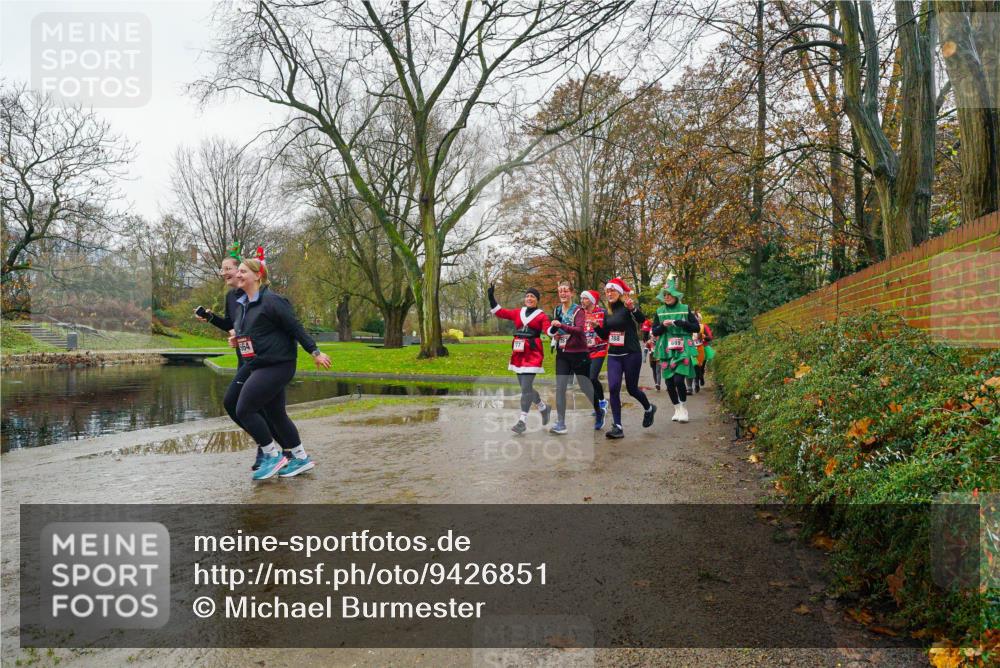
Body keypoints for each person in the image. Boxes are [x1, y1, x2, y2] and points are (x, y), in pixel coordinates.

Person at [223, 249, 332, 480]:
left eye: (243, 271)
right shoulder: (243, 304)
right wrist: (237, 339)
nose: (238, 275)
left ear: (257, 275)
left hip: (277, 364)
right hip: (257, 364)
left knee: (244, 408)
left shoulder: (272, 301)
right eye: (238, 271)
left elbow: (295, 327)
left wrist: (315, 351)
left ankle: (271, 455)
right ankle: (300, 458)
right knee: (275, 414)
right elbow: (252, 333)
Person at [195, 243, 291, 470]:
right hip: (245, 360)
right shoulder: (232, 297)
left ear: (241, 270)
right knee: (245, 407)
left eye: (228, 267)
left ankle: (281, 452)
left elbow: (270, 327)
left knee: (268, 410)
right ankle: (272, 449)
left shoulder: (260, 297)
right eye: (222, 269)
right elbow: (232, 324)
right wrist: (210, 318)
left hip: (267, 361)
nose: (224, 272)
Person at [593, 277, 656, 439]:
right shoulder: (608, 312)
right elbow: (605, 335)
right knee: (613, 389)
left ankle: (649, 408)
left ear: (619, 292)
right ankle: (618, 426)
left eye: (612, 290)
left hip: (630, 353)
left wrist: (633, 309)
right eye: (607, 291)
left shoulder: (627, 307)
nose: (609, 293)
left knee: (632, 389)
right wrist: (596, 328)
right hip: (614, 354)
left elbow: (643, 321)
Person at [488, 283, 552, 434]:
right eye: (528, 296)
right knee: (527, 388)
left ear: (537, 300)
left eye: (533, 296)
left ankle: (522, 421)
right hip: (518, 353)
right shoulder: (518, 312)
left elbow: (548, 328)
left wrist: (553, 329)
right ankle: (544, 408)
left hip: (533, 353)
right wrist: (491, 297)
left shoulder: (541, 315)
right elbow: (500, 312)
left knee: (525, 388)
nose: (529, 298)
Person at [547, 281, 597, 435]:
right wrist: (554, 333)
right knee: (560, 387)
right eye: (560, 291)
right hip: (563, 353)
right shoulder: (557, 310)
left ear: (572, 293)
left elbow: (580, 330)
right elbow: (557, 328)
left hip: (579, 353)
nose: (563, 294)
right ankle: (561, 423)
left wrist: (562, 326)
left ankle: (599, 407)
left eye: (566, 291)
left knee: (585, 386)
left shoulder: (578, 311)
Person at [651, 277, 700, 423]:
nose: (666, 297)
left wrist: (682, 323)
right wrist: (663, 326)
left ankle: (684, 408)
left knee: (679, 379)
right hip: (666, 347)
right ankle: (676, 408)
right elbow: (655, 331)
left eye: (669, 294)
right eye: (664, 295)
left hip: (683, 346)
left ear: (675, 296)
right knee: (669, 382)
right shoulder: (659, 311)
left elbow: (696, 327)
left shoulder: (685, 309)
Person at [581, 290, 609, 430]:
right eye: (582, 298)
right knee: (588, 379)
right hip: (586, 350)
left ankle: (602, 403)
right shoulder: (581, 313)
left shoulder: (603, 313)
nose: (582, 301)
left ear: (592, 300)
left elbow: (608, 329)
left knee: (592, 377)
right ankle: (602, 401)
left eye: (585, 298)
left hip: (600, 348)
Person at [692, 311, 715, 392]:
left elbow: (710, 337)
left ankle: (701, 376)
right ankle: (696, 383)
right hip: (693, 349)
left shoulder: (703, 326)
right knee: (695, 366)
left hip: (703, 348)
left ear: (699, 319)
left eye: (696, 318)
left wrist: (704, 337)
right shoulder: (689, 327)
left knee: (701, 366)